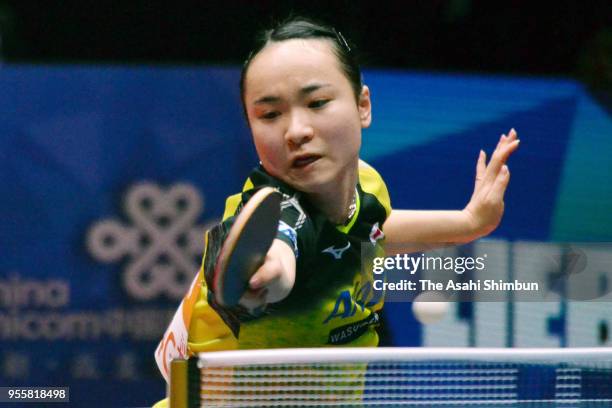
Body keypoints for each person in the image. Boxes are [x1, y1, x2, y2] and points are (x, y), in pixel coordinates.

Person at [153, 15, 519, 406]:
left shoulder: (368, 183)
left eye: (317, 103)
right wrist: (265, 276)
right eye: (270, 115)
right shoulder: (273, 213)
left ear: (363, 105)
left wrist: (469, 222)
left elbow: (372, 232)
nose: (296, 131)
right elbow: (281, 254)